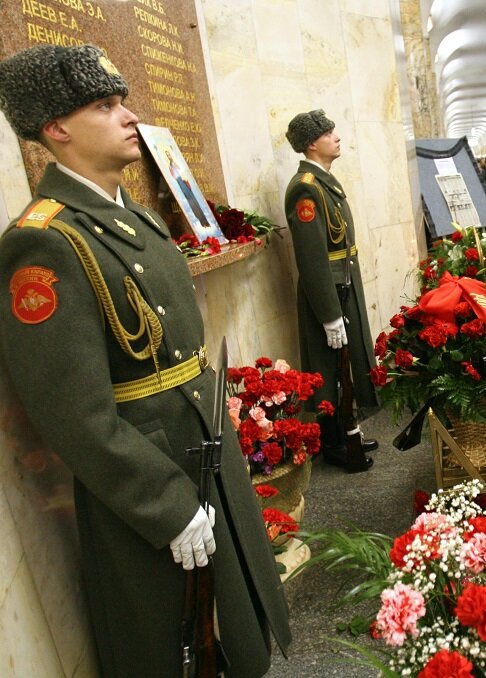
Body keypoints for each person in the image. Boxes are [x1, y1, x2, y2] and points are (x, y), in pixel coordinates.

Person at [0, 44, 291, 675]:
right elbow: (74, 415)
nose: (129, 116)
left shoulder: (125, 213)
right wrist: (165, 502)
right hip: (153, 469)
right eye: (106, 106)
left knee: (237, 626)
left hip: (199, 443)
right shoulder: (45, 242)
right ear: (57, 128)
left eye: (122, 100)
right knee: (174, 642)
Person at [284, 109, 379, 472]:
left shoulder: (324, 182)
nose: (337, 137)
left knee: (348, 366)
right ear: (312, 143)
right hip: (328, 291)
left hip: (343, 283)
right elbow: (311, 258)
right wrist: (328, 314)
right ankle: (336, 442)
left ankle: (347, 429)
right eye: (329, 132)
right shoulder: (306, 188)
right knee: (329, 369)